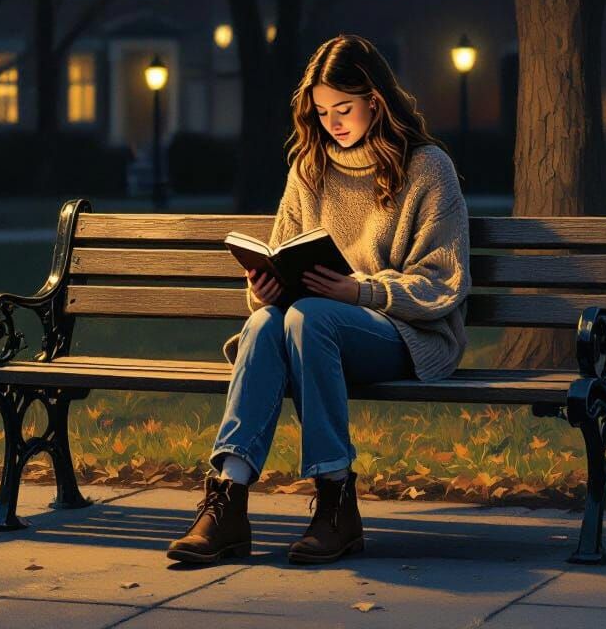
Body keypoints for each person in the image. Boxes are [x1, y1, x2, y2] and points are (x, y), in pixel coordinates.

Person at [166, 33, 471, 565]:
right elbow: (282, 250)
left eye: (344, 108)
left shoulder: (428, 169)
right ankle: (228, 498)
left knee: (312, 317)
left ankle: (335, 501)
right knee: (265, 324)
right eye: (322, 110)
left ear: (375, 101)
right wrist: (264, 289)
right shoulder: (310, 167)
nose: (332, 121)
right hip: (310, 327)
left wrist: (361, 290)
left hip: (404, 333)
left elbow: (443, 281)